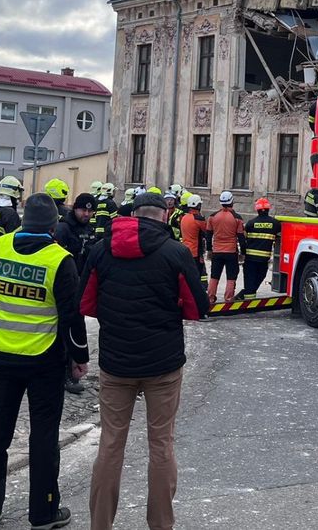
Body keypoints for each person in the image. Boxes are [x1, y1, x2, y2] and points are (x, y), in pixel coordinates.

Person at [80, 192, 211, 530]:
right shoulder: (176, 253)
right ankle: (161, 524)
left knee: (110, 444)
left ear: (133, 214)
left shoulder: (101, 250)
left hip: (115, 363)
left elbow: (86, 303)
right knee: (161, 444)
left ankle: (100, 525)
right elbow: (198, 308)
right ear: (165, 216)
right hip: (162, 364)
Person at [0, 194, 88, 530]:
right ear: (53, 227)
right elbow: (71, 317)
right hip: (44, 360)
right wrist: (79, 358)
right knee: (44, 436)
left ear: (22, 220)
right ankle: (44, 513)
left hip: (3, 358)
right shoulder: (59, 259)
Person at [56, 192, 97, 396]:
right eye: (83, 210)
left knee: (75, 330)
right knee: (63, 331)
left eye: (90, 211)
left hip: (79, 286)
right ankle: (63, 374)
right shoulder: (63, 228)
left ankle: (73, 371)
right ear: (75, 209)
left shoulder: (89, 229)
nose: (86, 214)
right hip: (62, 287)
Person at [205, 191, 246, 303]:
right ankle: (228, 299)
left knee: (214, 276)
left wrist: (209, 250)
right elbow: (241, 237)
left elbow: (208, 236)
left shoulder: (212, 217)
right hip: (231, 252)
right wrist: (243, 252)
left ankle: (210, 298)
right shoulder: (237, 218)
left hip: (216, 251)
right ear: (232, 201)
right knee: (231, 276)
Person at [236, 198, 281, 299]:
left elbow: (243, 239)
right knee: (257, 280)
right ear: (268, 209)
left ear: (257, 209)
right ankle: (245, 297)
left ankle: (246, 299)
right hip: (263, 260)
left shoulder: (250, 223)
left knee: (249, 283)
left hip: (250, 259)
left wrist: (243, 253)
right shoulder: (275, 224)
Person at [179, 194, 208, 288]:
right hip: (195, 253)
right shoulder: (198, 219)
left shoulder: (184, 218)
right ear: (198, 206)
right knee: (196, 276)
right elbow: (206, 231)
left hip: (184, 250)